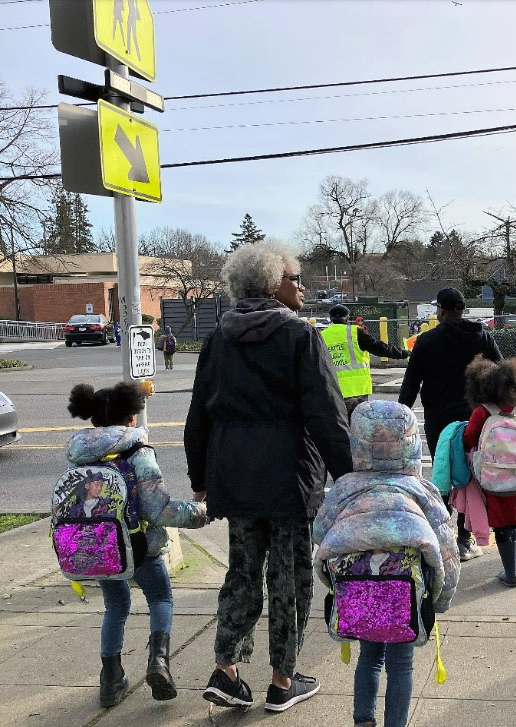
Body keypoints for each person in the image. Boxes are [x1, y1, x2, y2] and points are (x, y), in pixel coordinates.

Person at [184, 241, 353, 713]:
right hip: (289, 476)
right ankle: (283, 679)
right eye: (296, 278)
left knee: (241, 572)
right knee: (289, 578)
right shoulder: (300, 335)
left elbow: (198, 416)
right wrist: (351, 480)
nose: (302, 287)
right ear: (273, 282)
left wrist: (200, 479)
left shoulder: (219, 338)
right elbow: (327, 415)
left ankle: (226, 669)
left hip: (233, 476)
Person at [313, 400, 459, 727]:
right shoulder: (421, 490)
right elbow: (447, 550)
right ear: (411, 442)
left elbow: (320, 531)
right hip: (404, 593)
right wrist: (442, 598)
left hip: (358, 590)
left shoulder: (345, 487)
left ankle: (363, 720)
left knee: (369, 657)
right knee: (401, 665)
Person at [66, 382, 208, 707]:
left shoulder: (80, 456)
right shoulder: (138, 453)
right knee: (160, 598)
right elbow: (158, 509)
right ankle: (158, 662)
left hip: (100, 547)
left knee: (115, 606)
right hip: (139, 545)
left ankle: (110, 680)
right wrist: (200, 512)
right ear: (131, 418)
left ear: (94, 421)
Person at [399, 287, 502, 562]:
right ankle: (465, 539)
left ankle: (441, 537)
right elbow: (501, 373)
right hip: (475, 418)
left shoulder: (426, 341)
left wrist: (400, 416)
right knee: (470, 477)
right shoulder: (482, 337)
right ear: (462, 309)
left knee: (442, 475)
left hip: (439, 420)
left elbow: (411, 383)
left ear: (441, 311)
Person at [462, 356, 516, 587]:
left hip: (492, 479)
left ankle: (510, 575)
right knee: (515, 520)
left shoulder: (482, 412)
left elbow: (469, 439)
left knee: (501, 526)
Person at [322, 304, 409, 416]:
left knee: (339, 424)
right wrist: (404, 353)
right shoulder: (355, 332)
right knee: (358, 423)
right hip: (357, 390)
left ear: (330, 318)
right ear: (347, 318)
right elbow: (380, 348)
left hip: (333, 390)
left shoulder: (322, 335)